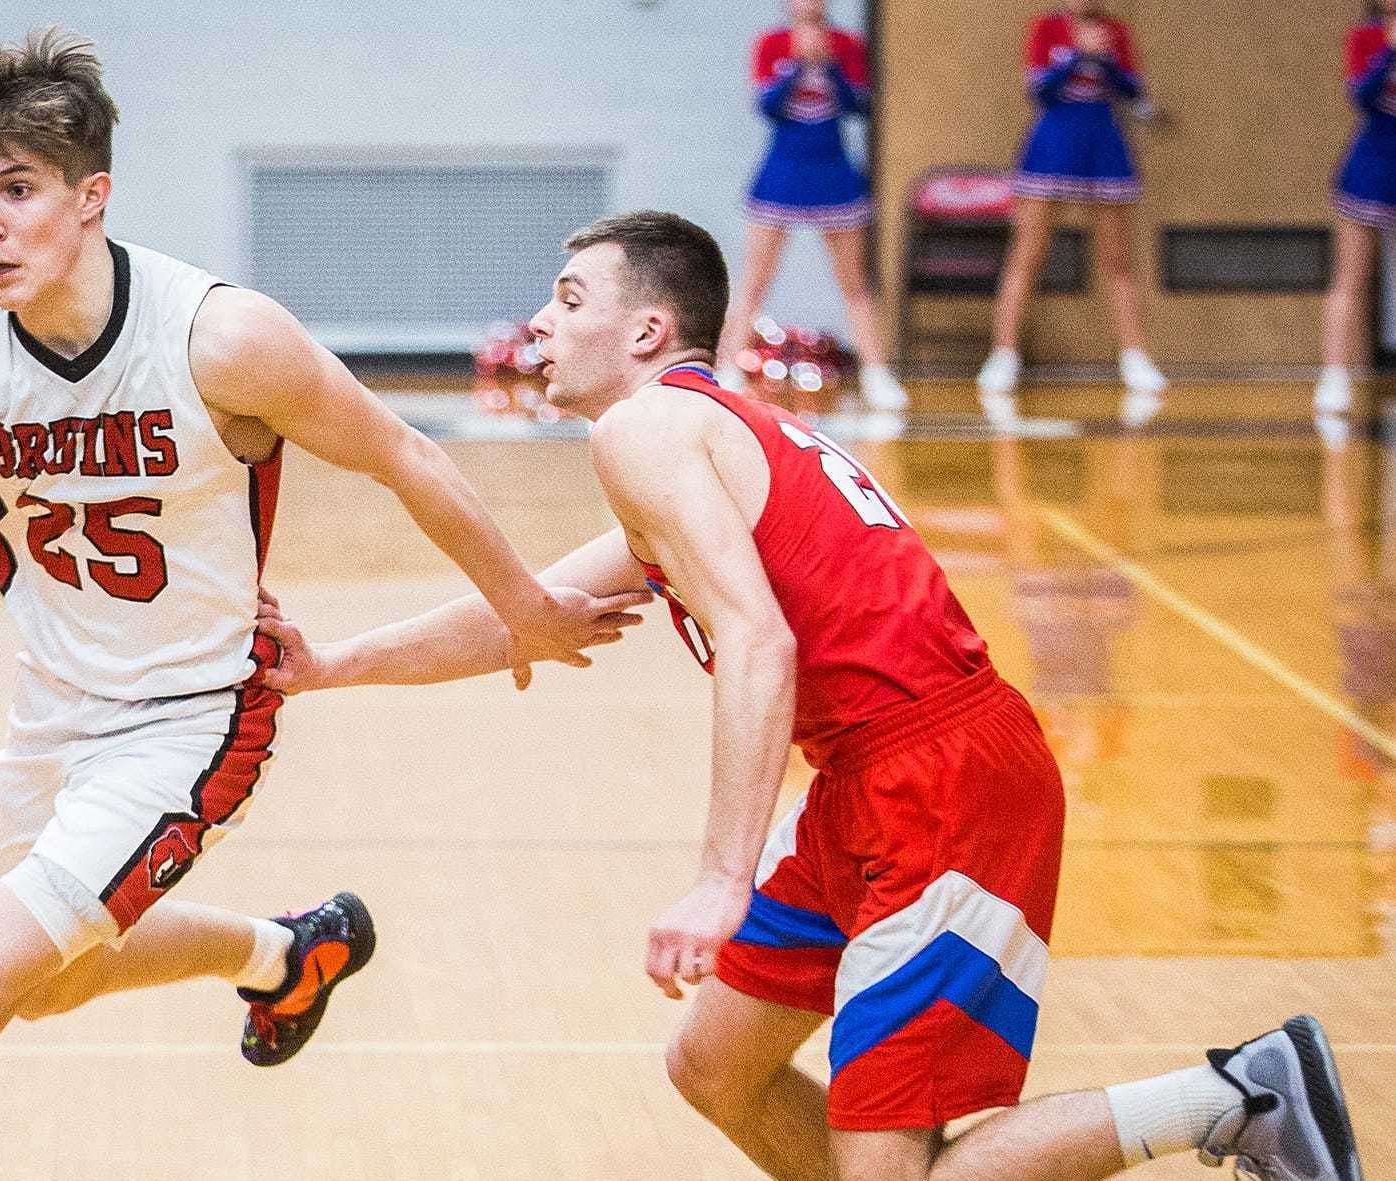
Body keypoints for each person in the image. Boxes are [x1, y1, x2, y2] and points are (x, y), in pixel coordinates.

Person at [0, 29, 638, 1181]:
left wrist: (522, 604)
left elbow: (401, 453)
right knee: (47, 984)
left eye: (17, 190)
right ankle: (284, 954)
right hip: (51, 714)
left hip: (190, 718)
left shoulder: (220, 337)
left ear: (90, 196)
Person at [257, 210, 1365, 1181]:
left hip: (943, 782)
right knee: (715, 1065)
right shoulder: (698, 430)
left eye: (568, 297)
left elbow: (756, 639)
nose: (538, 323)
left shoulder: (648, 431)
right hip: (873, 781)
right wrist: (327, 665)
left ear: (646, 331)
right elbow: (533, 608)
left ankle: (1239, 1095)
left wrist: (716, 879)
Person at [977, 1, 1168, 429]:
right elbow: (1038, 91)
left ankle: (1134, 357)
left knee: (1117, 259)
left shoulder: (1117, 32)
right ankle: (1003, 354)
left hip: (1103, 145)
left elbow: (1133, 92)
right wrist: (1078, 55)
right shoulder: (1046, 29)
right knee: (1028, 252)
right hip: (1052, 145)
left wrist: (1103, 58)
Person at [716, 0, 909, 414]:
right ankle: (728, 367)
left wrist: (831, 64)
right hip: (782, 168)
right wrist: (798, 66)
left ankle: (876, 372)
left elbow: (859, 106)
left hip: (833, 169)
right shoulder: (770, 43)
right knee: (756, 278)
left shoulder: (848, 44)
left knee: (854, 280)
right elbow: (768, 108)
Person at [1318, 1, 1396, 416]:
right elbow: (1361, 97)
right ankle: (1334, 374)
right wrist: (1389, 53)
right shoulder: (1363, 37)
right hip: (1372, 162)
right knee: (1352, 273)